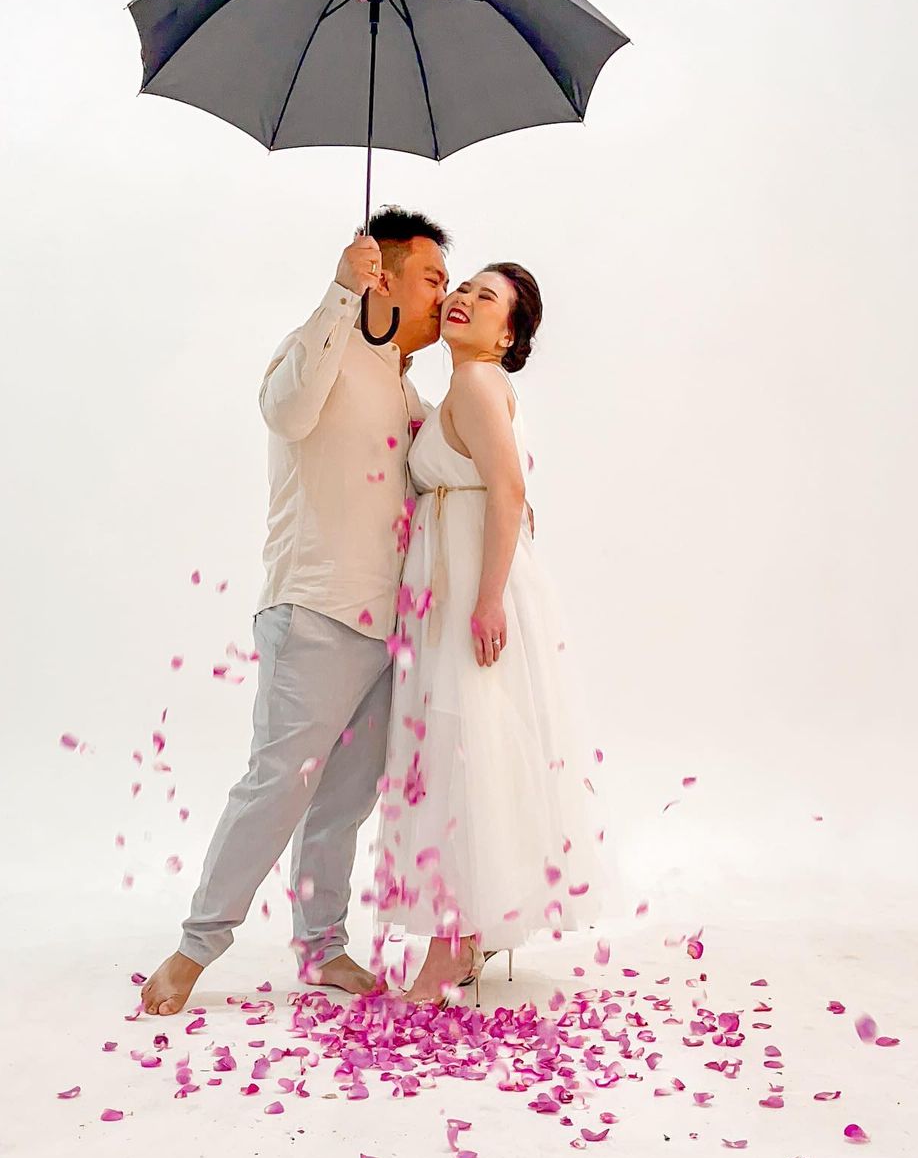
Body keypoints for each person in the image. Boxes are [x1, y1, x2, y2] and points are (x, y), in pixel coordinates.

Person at [140, 207, 452, 1016]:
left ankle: (322, 947)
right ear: (382, 275)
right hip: (314, 609)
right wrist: (340, 293)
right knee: (277, 786)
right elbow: (285, 412)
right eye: (432, 278)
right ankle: (195, 947)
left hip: (385, 626)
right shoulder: (318, 345)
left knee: (345, 802)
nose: (444, 296)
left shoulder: (403, 385)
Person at [371, 263, 616, 1005]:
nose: (465, 301)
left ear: (507, 335)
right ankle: (465, 932)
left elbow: (508, 489)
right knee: (463, 747)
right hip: (457, 579)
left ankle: (451, 945)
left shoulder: (478, 382)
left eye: (487, 299)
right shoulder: (464, 388)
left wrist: (486, 602)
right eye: (465, 289)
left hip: (472, 588)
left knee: (460, 747)